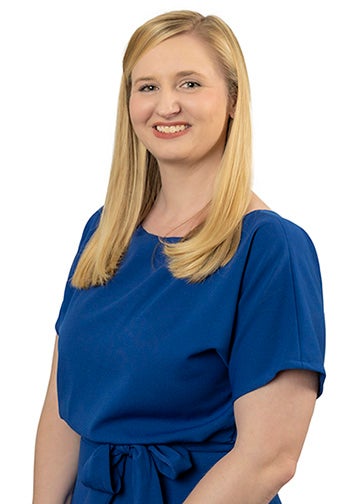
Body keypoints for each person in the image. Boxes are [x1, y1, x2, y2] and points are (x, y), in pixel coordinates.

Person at [33, 10, 326, 504]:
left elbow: (269, 457)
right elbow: (63, 409)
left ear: (233, 100)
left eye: (189, 83)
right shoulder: (103, 234)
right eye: (146, 87)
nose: (165, 105)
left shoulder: (270, 248)